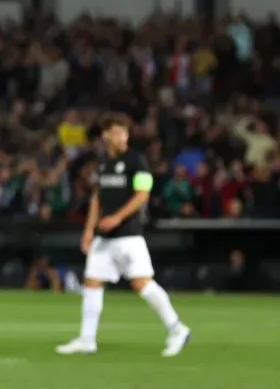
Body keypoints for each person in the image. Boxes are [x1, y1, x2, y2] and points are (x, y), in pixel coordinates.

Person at [57, 115, 191, 357]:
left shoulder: (136, 160)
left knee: (142, 284)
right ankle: (87, 340)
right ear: (106, 135)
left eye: (125, 133)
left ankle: (177, 328)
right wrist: (88, 230)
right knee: (92, 283)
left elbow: (142, 195)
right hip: (104, 237)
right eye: (117, 132)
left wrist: (117, 218)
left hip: (128, 235)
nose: (122, 137)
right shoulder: (102, 162)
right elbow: (96, 197)